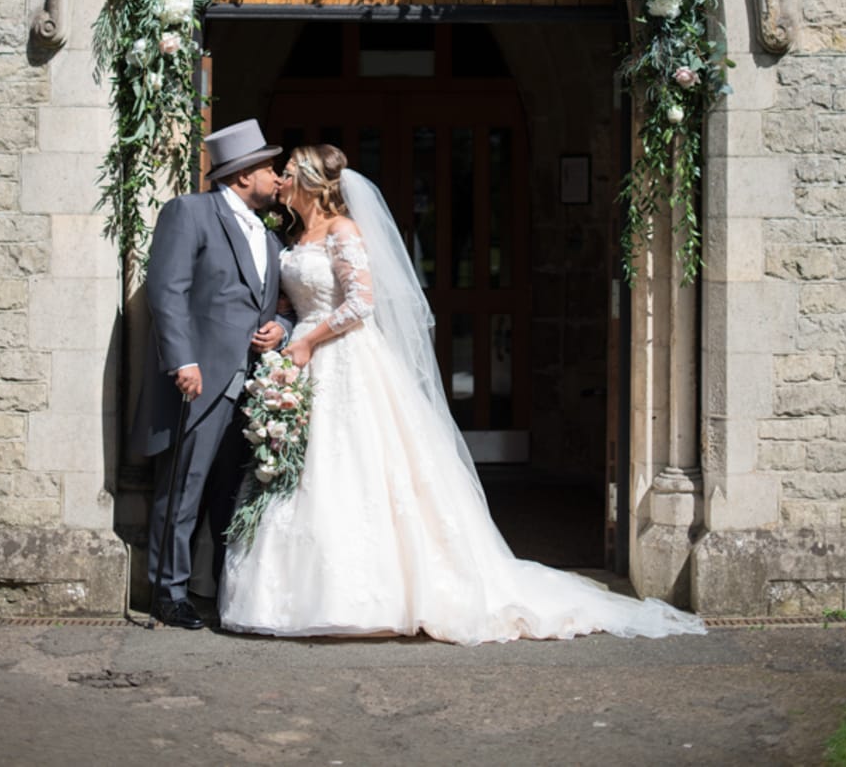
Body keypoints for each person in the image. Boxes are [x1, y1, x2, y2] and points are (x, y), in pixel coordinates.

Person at [219, 145, 707, 645]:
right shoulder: (295, 236)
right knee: (303, 470)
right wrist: (286, 333)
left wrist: (307, 339)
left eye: (286, 173)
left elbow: (360, 304)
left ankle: (384, 593)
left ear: (306, 181)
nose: (277, 180)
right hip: (303, 360)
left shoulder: (344, 231)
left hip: (343, 358)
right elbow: (291, 297)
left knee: (356, 465)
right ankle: (295, 595)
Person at [131, 118, 293, 630]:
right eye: (270, 168)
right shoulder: (190, 212)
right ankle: (168, 592)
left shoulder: (268, 238)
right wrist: (183, 361)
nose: (278, 178)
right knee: (182, 489)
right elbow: (167, 290)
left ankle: (226, 589)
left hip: (253, 386)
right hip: (199, 380)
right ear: (243, 174)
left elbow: (282, 304)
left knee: (230, 493)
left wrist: (282, 330)